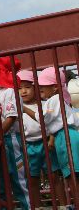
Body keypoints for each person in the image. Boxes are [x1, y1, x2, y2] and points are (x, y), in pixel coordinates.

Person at [25, 67, 79, 203]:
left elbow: (42, 118)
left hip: (65, 136)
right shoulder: (57, 99)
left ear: (55, 87)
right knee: (71, 174)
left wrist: (24, 109)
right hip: (64, 135)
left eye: (44, 85)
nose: (40, 87)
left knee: (72, 174)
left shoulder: (54, 100)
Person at [17, 69, 64, 207]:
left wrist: (52, 139)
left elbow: (53, 123)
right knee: (32, 179)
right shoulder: (17, 109)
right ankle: (37, 207)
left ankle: (63, 205)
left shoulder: (45, 104)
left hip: (46, 143)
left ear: (35, 88)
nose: (23, 91)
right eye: (19, 88)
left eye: (27, 87)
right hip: (28, 145)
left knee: (54, 176)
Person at [0, 57, 29, 209]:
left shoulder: (11, 91)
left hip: (11, 138)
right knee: (0, 180)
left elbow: (11, 117)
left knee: (19, 179)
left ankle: (28, 206)